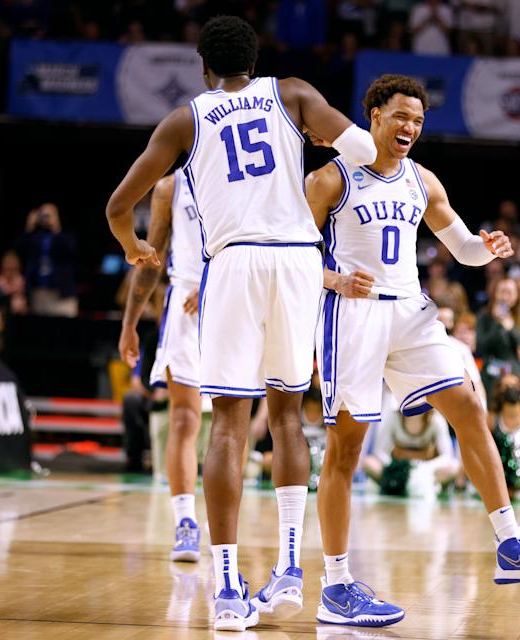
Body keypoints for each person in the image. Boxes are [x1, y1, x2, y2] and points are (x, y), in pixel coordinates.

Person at [105, 15, 379, 632]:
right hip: (296, 260)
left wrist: (132, 247)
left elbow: (117, 206)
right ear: (255, 61)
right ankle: (288, 568)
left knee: (227, 421)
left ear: (204, 66)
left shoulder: (186, 119)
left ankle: (227, 588)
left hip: (232, 265)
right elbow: (361, 150)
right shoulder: (293, 94)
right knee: (285, 415)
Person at [303, 74, 520, 626]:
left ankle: (510, 542)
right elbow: (290, 255)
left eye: (419, 121)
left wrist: (488, 249)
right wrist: (333, 280)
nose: (410, 128)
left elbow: (464, 248)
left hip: (412, 311)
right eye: (401, 116)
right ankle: (335, 586)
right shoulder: (330, 179)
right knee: (346, 450)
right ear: (373, 115)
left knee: (472, 407)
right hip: (353, 315)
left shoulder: (422, 181)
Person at [118, 170, 207, 564]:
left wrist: (216, 285)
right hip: (184, 307)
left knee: (229, 422)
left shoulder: (250, 176)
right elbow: (151, 260)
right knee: (184, 419)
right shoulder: (171, 187)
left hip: (237, 296)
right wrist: (130, 323)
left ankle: (227, 535)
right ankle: (185, 522)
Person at [361, 409, 459, 494]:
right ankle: (402, 485)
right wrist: (396, 466)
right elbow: (379, 451)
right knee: (368, 463)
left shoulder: (436, 419)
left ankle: (403, 487)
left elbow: (446, 456)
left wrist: (424, 468)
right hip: (396, 472)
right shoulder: (394, 417)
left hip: (425, 472)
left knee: (454, 467)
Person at [16, 202, 78, 317]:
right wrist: (29, 226)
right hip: (39, 293)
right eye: (43, 215)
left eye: (49, 215)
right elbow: (20, 250)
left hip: (61, 295)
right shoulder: (34, 238)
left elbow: (70, 251)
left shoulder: (65, 236)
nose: (46, 219)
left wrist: (56, 227)